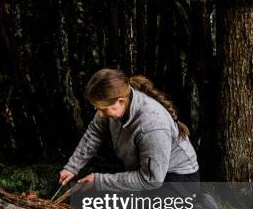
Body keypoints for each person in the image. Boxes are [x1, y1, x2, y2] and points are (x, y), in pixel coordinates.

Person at [59, 68, 199, 191]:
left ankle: (199, 208)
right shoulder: (113, 101)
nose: (99, 114)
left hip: (177, 179)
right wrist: (72, 167)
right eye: (97, 108)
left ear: (121, 101)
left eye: (103, 109)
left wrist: (100, 181)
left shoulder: (151, 125)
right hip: (145, 171)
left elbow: (151, 180)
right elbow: (95, 132)